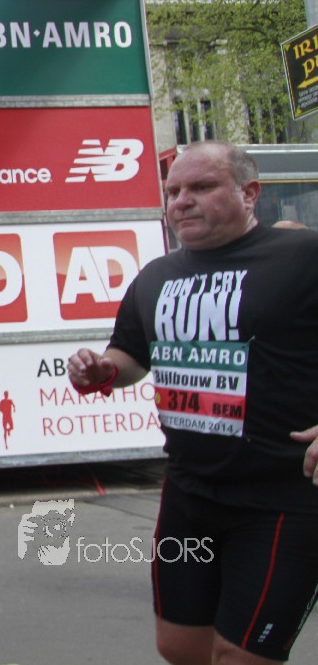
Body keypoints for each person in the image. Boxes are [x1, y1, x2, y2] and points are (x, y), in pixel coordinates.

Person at [68, 141, 318, 665]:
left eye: (201, 187)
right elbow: (130, 355)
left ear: (249, 193)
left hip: (282, 498)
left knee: (240, 656)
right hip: (188, 492)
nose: (181, 201)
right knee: (179, 646)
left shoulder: (301, 256)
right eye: (173, 191)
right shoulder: (156, 277)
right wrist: (101, 370)